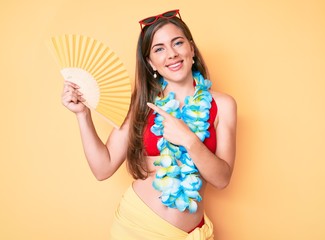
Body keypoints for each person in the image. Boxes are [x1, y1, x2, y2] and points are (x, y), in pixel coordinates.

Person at [61, 9, 237, 240]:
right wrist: (82, 115)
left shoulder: (223, 105)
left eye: (178, 43)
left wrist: (189, 139)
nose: (171, 54)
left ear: (191, 49)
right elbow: (103, 168)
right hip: (136, 226)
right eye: (159, 49)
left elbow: (222, 179)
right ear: (150, 62)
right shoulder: (141, 104)